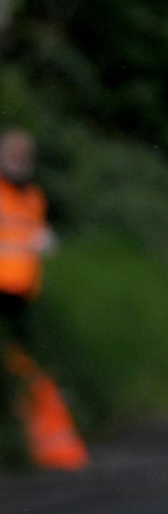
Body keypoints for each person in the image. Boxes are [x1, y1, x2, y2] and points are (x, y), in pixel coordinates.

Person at [0, 128, 88, 470]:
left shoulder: (33, 196)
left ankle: (27, 431)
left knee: (23, 363)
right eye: (13, 154)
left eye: (25, 156)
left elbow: (29, 237)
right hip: (2, 293)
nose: (20, 162)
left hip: (23, 297)